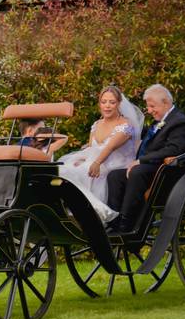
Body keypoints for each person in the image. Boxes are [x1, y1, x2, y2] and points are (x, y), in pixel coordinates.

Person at [106, 84, 185, 233]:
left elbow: (174, 149)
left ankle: (127, 223)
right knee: (115, 176)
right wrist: (121, 127)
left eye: (152, 106)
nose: (149, 110)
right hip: (152, 169)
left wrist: (141, 160)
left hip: (170, 172)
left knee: (137, 172)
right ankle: (113, 220)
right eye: (148, 106)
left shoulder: (180, 122)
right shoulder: (161, 120)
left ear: (166, 103)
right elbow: (145, 137)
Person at [58, 86, 143, 222]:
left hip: (115, 164)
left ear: (119, 104)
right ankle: (71, 208)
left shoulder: (126, 125)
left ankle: (98, 209)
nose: (107, 106)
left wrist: (96, 163)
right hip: (96, 161)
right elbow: (92, 148)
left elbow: (110, 147)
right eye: (104, 102)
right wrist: (82, 159)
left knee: (74, 173)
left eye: (112, 102)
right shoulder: (96, 124)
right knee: (62, 170)